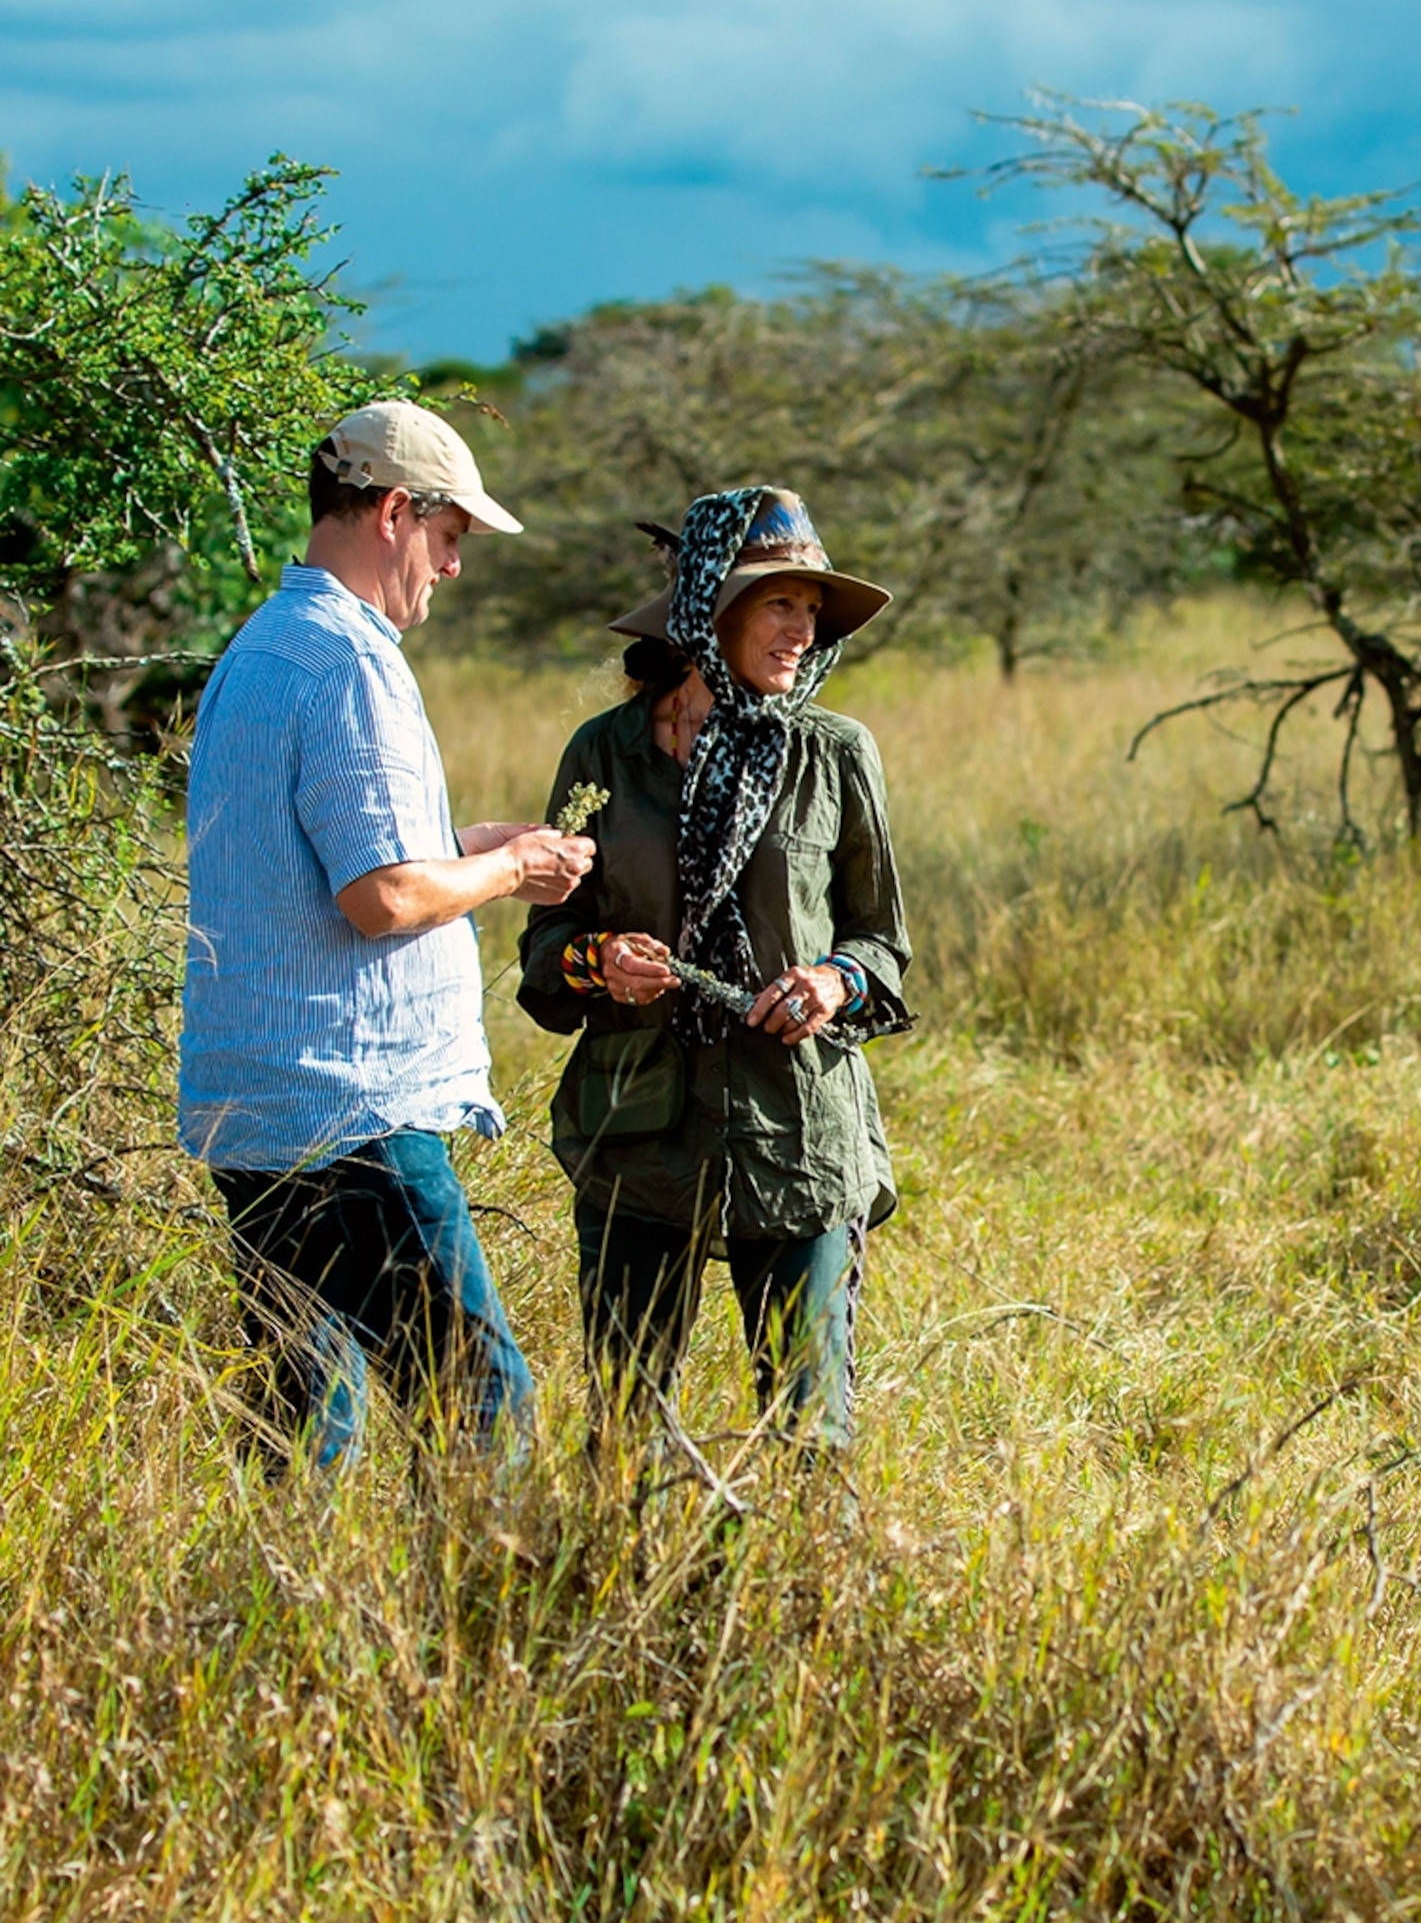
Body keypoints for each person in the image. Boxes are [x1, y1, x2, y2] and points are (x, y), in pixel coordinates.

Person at [180, 399, 594, 1468]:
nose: (453, 566)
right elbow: (382, 901)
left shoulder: (264, 649)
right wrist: (514, 870)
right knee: (484, 1412)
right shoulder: (351, 663)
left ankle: (266, 1627)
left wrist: (462, 842)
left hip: (259, 1111)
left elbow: (323, 865)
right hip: (352, 1115)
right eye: (451, 536)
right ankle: (480, 1629)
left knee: (305, 1429)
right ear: (397, 513)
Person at [517, 484, 911, 1460]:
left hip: (798, 1133)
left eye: (813, 610)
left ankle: (801, 1607)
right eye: (780, 602)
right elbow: (542, 948)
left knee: (810, 1436)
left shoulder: (834, 753)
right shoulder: (600, 756)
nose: (802, 630)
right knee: (624, 1425)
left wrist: (830, 984)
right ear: (708, 608)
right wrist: (597, 962)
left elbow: (880, 946)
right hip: (640, 1135)